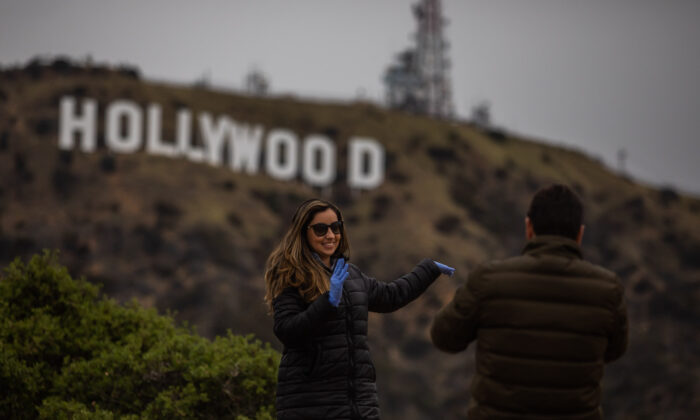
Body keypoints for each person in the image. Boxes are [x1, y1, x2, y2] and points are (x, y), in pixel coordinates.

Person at [431, 184, 628, 420]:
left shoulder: (489, 280)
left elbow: (444, 337)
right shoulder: (608, 289)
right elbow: (614, 351)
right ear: (579, 235)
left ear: (529, 228)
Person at [264, 198, 455, 419]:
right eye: (320, 229)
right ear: (303, 233)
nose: (330, 235)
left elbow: (392, 296)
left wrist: (428, 269)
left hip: (360, 404)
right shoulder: (291, 276)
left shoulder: (350, 274)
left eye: (336, 228)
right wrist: (328, 302)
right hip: (311, 404)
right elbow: (287, 331)